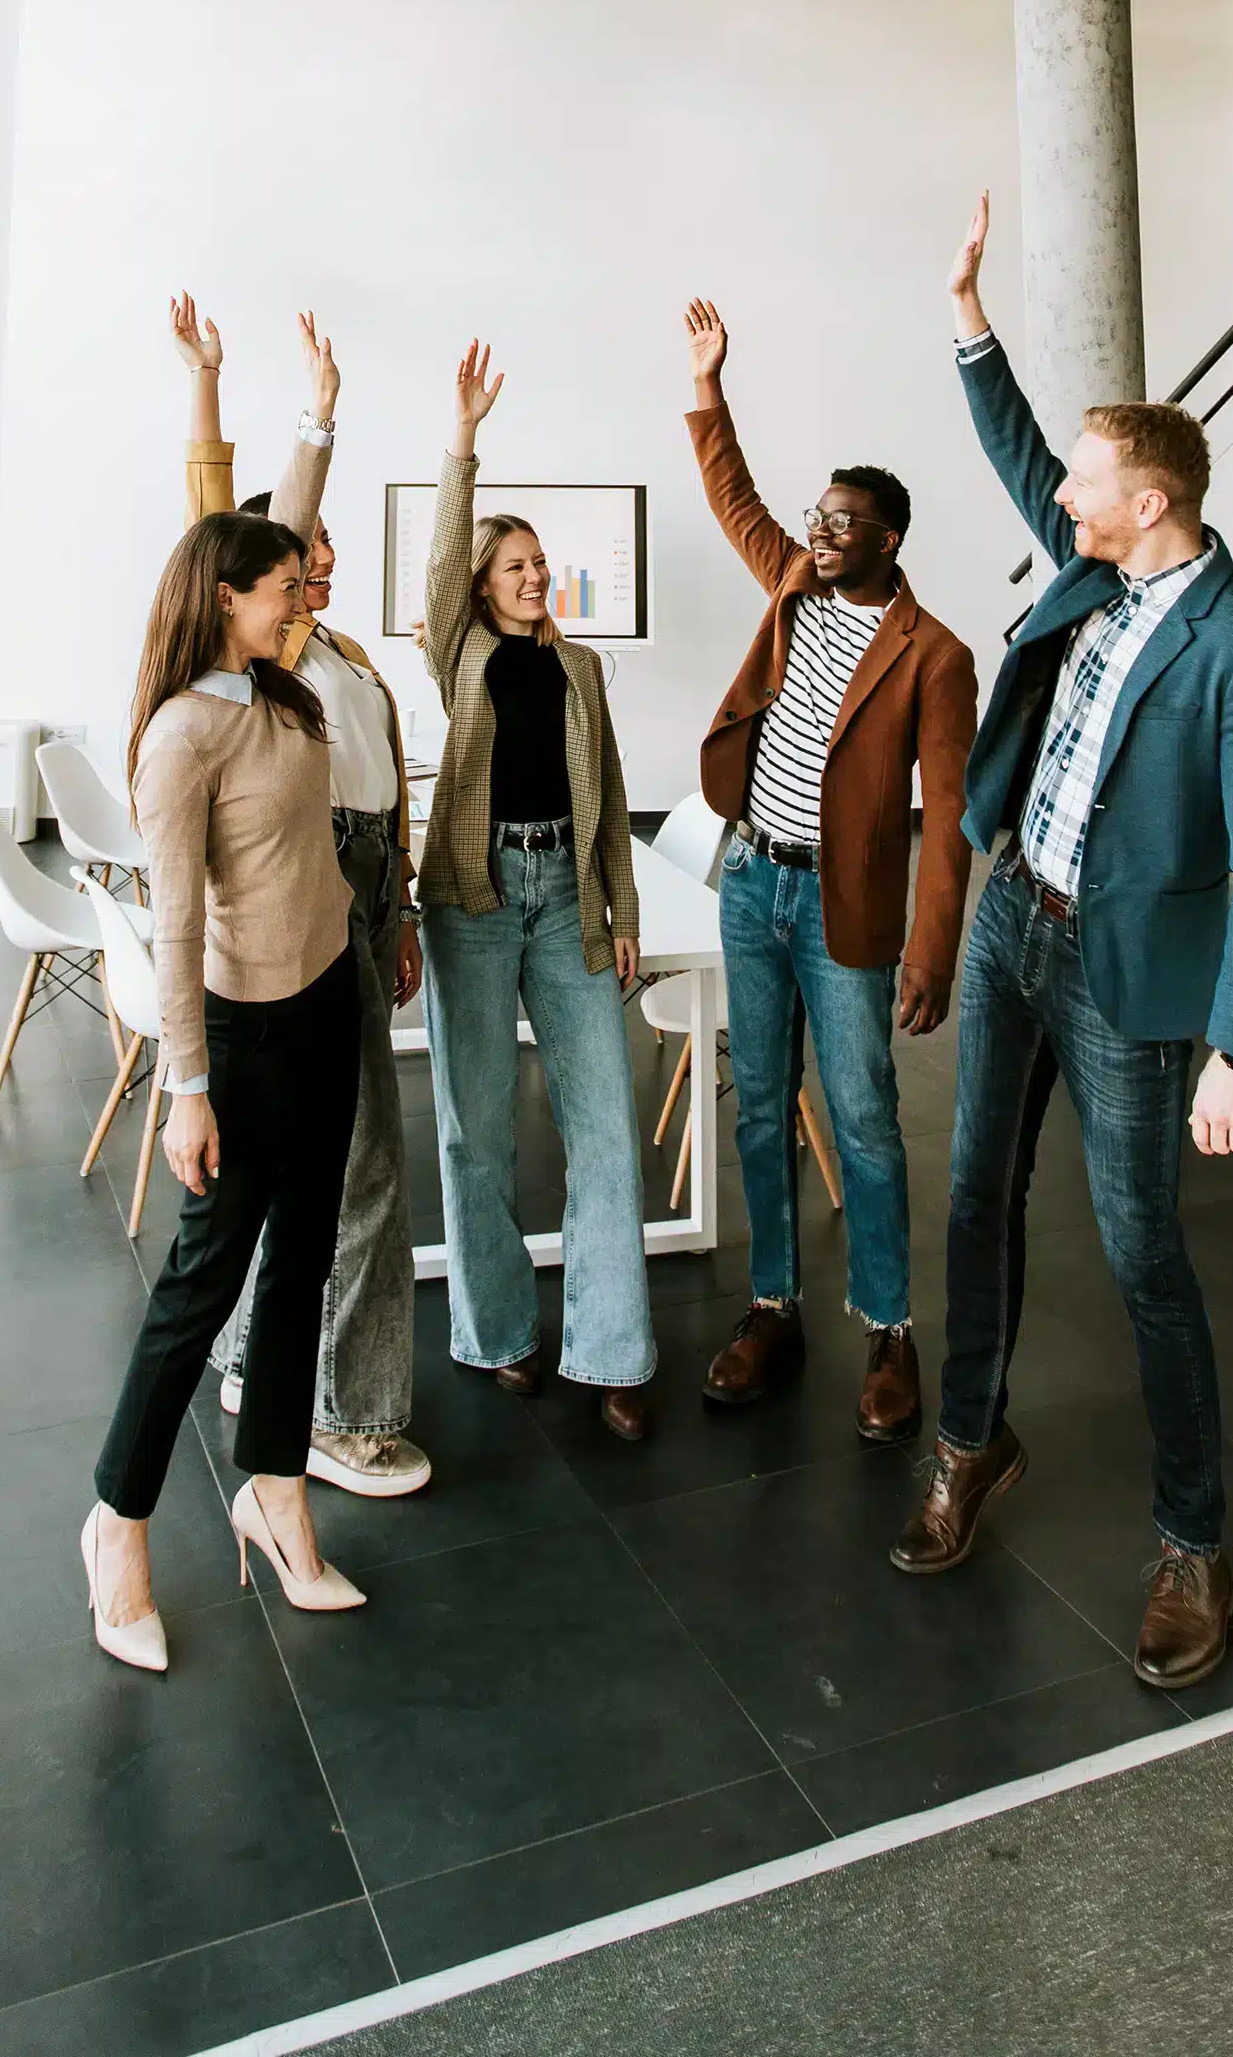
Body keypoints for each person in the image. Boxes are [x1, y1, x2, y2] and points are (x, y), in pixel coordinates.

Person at [891, 194, 1233, 1690]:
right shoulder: (1097, 570)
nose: (1062, 496)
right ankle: (969, 1441)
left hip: (1130, 984)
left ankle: (1193, 1541)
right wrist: (967, 317)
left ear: (1148, 500)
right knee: (974, 1200)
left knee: (1143, 1255)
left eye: (1089, 482)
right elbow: (1023, 453)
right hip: (1018, 912)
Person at [682, 300, 978, 1438]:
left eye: (845, 522)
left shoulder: (935, 655)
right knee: (761, 1104)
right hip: (751, 879)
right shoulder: (792, 587)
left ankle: (890, 1328)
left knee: (862, 1115)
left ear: (890, 538)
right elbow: (731, 495)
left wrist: (931, 946)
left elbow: (947, 814)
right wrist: (710, 385)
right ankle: (773, 1306)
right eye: (820, 517)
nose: (822, 533)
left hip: (842, 907)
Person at [83, 508, 366, 1673]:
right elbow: (179, 927)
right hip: (241, 1038)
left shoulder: (276, 693)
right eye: (283, 586)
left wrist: (318, 409)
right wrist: (186, 1089)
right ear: (226, 596)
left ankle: (278, 1494)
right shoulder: (179, 739)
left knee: (303, 1263)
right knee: (202, 1288)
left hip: (326, 1006)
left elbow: (279, 510)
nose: (300, 598)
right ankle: (118, 1523)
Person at [172, 293, 428, 1502]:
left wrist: (405, 904)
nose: (317, 565)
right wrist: (304, 409)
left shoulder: (346, 657)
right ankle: (348, 1412)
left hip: (372, 883)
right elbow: (227, 509)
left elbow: (390, 795)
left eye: (317, 559)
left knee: (316, 1153)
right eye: (296, 558)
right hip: (307, 883)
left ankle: (254, 1359)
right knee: (361, 1157)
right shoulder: (256, 659)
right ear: (251, 581)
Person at [418, 339, 655, 1439]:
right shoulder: (457, 650)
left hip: (564, 888)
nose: (532, 575)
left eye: (539, 562)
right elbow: (436, 570)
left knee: (603, 1122)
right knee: (476, 1132)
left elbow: (607, 798)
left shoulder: (582, 669)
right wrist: (465, 440)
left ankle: (611, 1349)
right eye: (513, 564)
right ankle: (499, 1330)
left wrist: (622, 919)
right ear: (478, 583)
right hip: (471, 896)